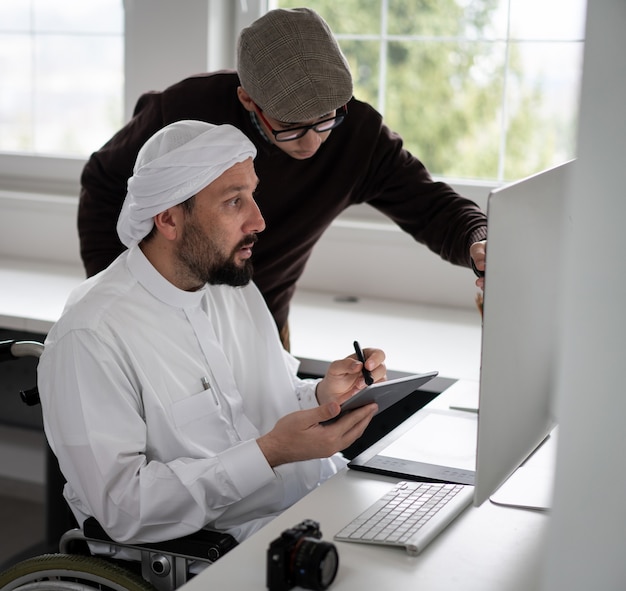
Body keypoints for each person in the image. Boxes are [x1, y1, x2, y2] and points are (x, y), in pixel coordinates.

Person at [38, 120, 385, 551]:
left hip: (325, 505)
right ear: (168, 219)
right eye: (233, 202)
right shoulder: (90, 336)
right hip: (233, 551)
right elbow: (124, 507)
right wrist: (269, 452)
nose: (258, 220)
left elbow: (269, 401)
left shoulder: (231, 287)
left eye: (252, 195)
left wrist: (321, 395)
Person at [78, 7, 487, 349]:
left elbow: (432, 206)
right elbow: (103, 180)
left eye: (327, 119)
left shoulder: (359, 137)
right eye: (291, 126)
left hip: (262, 330)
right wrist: (110, 295)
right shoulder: (185, 110)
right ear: (247, 100)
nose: (312, 141)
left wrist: (478, 243)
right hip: (155, 322)